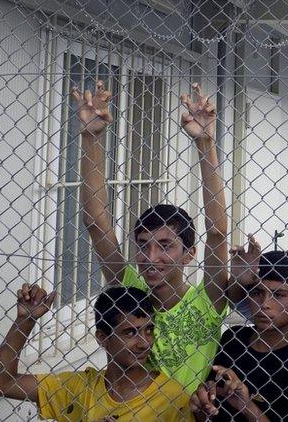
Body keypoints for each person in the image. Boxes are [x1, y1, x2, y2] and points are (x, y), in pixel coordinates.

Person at [74, 82, 233, 392]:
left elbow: (217, 232)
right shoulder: (130, 288)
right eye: (143, 245)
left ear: (189, 253)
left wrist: (205, 143)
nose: (150, 257)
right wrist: (92, 138)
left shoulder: (207, 300)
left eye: (165, 246)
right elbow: (96, 223)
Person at [0, 285, 193, 421]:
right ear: (102, 338)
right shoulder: (79, 387)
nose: (144, 343)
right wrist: (25, 320)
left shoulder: (173, 398)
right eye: (130, 332)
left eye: (149, 330)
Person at [198, 250, 288, 422]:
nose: (265, 304)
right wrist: (202, 403)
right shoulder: (233, 339)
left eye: (278, 295)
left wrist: (247, 406)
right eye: (257, 293)